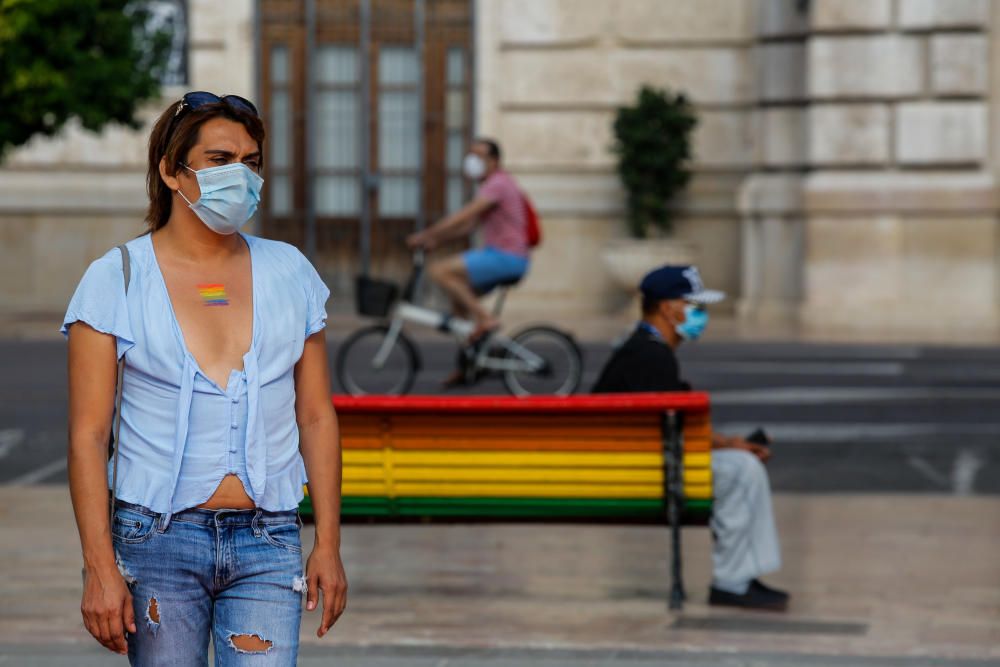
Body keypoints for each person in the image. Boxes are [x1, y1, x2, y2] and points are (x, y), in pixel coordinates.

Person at [63, 91, 347, 664]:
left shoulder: (289, 271)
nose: (240, 176)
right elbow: (88, 436)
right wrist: (99, 567)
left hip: (269, 541)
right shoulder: (115, 277)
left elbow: (316, 414)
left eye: (252, 162)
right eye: (220, 160)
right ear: (172, 171)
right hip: (156, 541)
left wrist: (330, 545)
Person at [592, 265, 789, 611]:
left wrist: (728, 443)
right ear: (668, 309)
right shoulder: (652, 357)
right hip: (635, 476)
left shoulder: (639, 350)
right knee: (741, 471)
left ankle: (740, 576)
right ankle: (733, 581)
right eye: (694, 305)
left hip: (625, 465)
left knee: (737, 463)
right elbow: (672, 433)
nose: (701, 315)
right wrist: (731, 446)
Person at [406, 137, 530, 342]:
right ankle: (469, 366)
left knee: (439, 271)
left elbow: (463, 216)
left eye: (479, 156)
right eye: (471, 155)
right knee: (459, 307)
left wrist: (426, 235)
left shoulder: (497, 184)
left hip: (506, 257)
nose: (473, 160)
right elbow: (468, 227)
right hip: (504, 256)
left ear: (494, 161)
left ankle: (486, 319)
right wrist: (436, 241)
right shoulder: (496, 184)